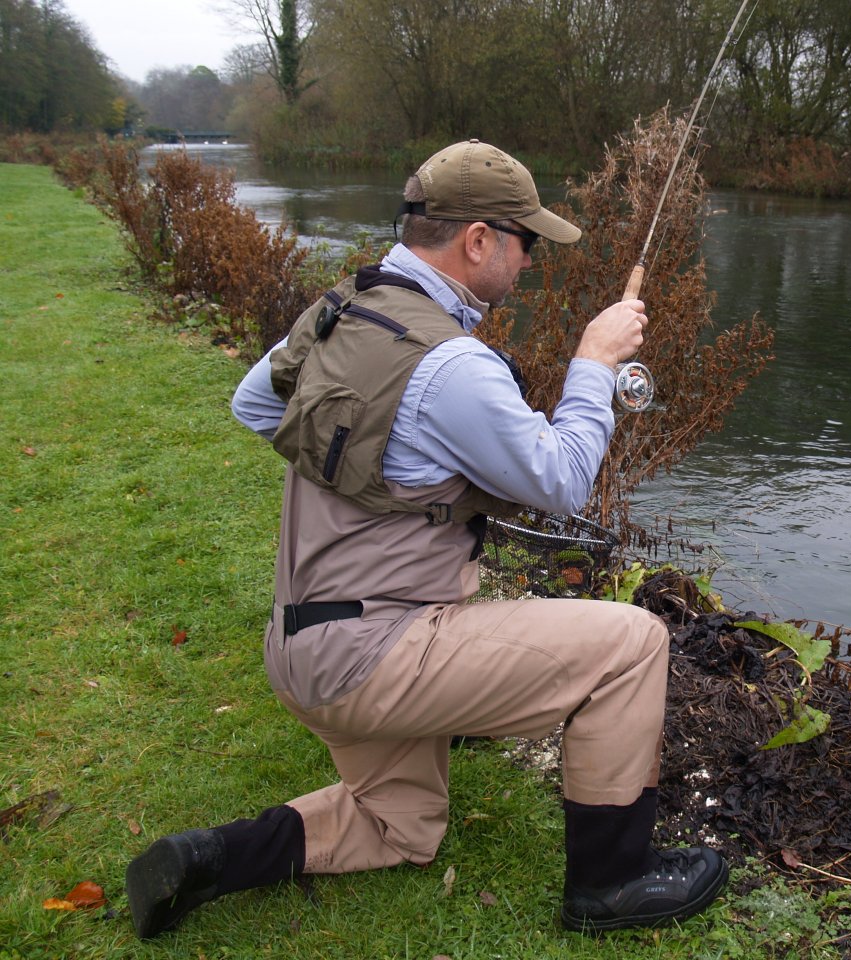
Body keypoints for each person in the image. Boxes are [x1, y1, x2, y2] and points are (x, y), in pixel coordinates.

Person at [124, 139, 728, 938]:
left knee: (400, 825)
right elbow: (560, 481)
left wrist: (385, 474)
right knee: (632, 642)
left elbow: (256, 407)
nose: (529, 262)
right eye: (526, 242)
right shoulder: (452, 364)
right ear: (477, 241)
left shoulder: (343, 308)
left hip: (301, 648)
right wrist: (593, 362)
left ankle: (208, 860)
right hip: (376, 655)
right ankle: (611, 884)